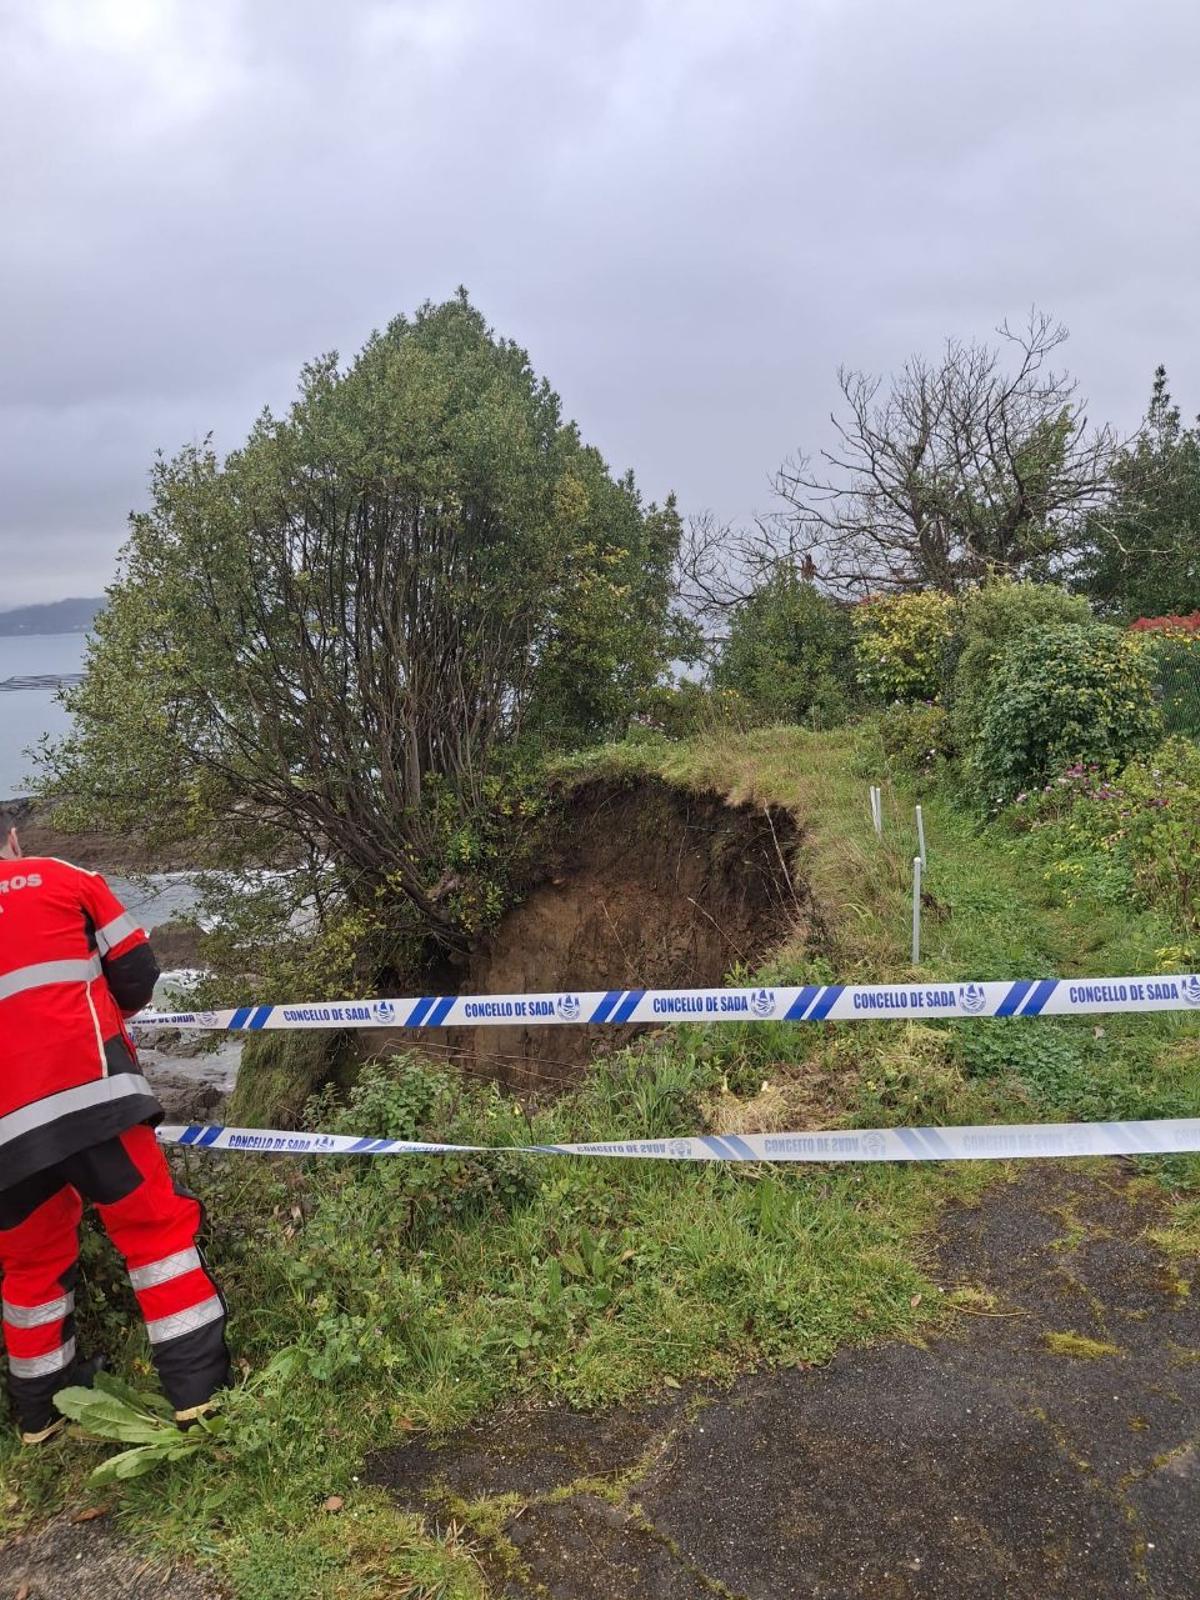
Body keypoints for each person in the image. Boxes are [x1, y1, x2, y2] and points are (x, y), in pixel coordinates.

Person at [0, 815, 230, 1444]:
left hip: (5, 1142)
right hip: (94, 1098)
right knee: (155, 1234)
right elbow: (136, 971)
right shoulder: (64, 878)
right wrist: (100, 1015)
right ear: (13, 837)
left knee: (29, 1269)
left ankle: (39, 1417)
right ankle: (199, 1396)